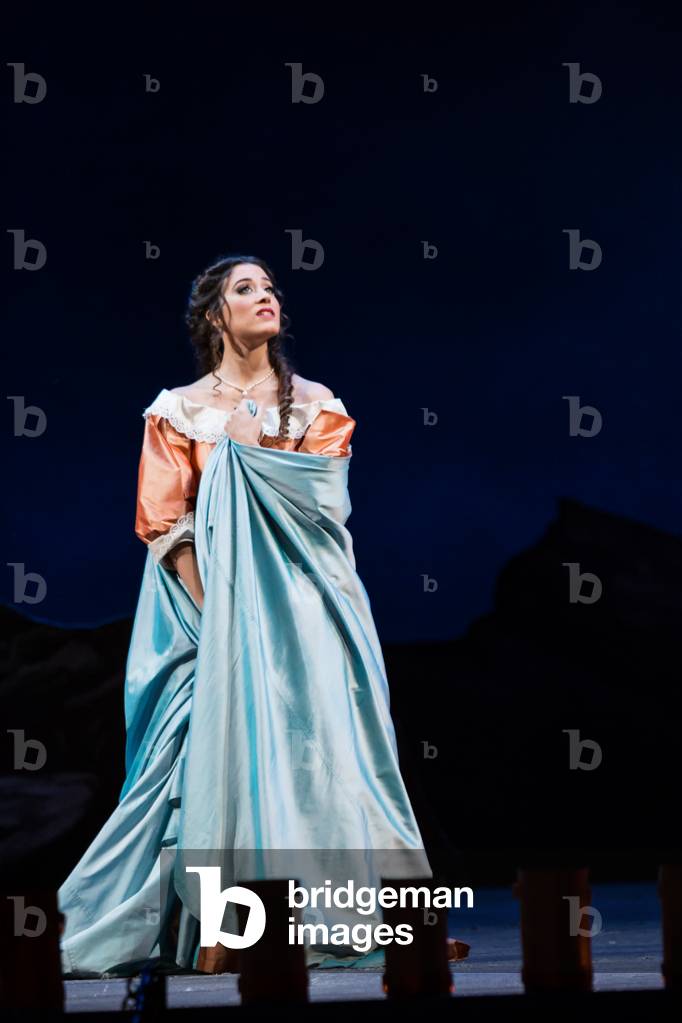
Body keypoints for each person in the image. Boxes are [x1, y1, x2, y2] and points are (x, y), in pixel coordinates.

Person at [57, 254, 470, 976]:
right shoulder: (178, 409)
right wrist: (225, 618)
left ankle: (344, 912)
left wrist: (253, 486)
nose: (266, 297)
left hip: (308, 603)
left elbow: (321, 509)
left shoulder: (316, 403)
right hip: (203, 611)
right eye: (246, 289)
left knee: (326, 753)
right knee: (195, 754)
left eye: (271, 287)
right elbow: (162, 521)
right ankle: (225, 925)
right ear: (216, 314)